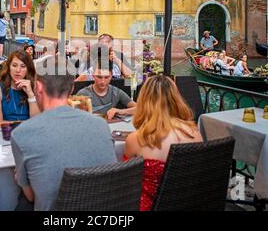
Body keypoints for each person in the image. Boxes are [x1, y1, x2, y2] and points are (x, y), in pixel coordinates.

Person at [10, 57, 117, 210]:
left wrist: (19, 176)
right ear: (72, 88)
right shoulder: (101, 125)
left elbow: (31, 196)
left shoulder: (21, 134)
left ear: (38, 87)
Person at [124, 75, 203, 211]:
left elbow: (126, 179)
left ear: (144, 101)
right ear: (176, 98)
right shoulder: (194, 132)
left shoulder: (135, 139)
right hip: (189, 203)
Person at [0, 50, 40, 129]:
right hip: (6, 135)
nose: (18, 70)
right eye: (14, 65)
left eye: (23, 66)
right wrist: (29, 124)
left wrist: (30, 95)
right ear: (9, 68)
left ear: (28, 70)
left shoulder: (35, 87)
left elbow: (37, 121)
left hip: (29, 135)